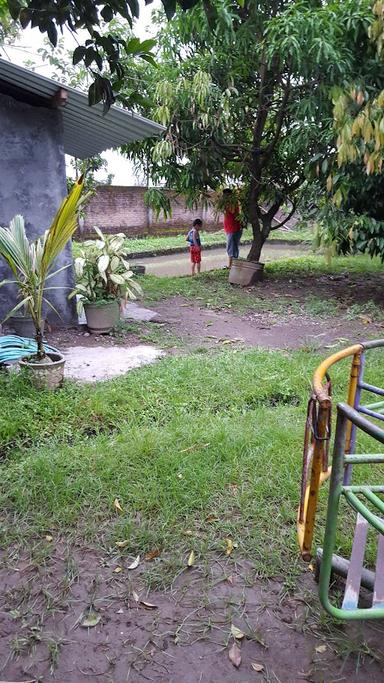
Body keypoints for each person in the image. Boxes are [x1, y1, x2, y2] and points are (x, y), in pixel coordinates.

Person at [222, 188, 242, 268]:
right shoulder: (228, 203)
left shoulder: (232, 203)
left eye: (226, 195)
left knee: (231, 248)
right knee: (233, 247)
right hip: (230, 228)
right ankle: (233, 265)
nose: (224, 197)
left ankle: (231, 266)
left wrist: (227, 203)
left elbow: (234, 212)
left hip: (233, 228)